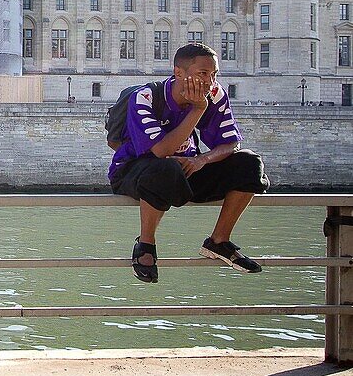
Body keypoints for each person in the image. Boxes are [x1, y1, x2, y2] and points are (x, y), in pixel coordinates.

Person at [108, 43, 268, 283]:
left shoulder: (214, 94)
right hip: (135, 170)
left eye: (214, 74)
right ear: (178, 72)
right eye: (203, 74)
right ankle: (146, 244)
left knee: (250, 163)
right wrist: (198, 109)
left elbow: (230, 143)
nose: (209, 81)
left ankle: (219, 241)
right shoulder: (146, 98)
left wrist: (202, 160)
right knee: (165, 168)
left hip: (185, 169)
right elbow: (161, 151)